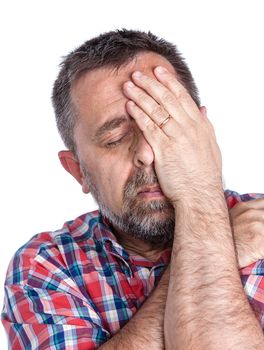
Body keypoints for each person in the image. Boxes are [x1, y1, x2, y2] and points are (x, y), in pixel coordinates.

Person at [2, 29, 264, 349]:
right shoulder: (44, 265)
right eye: (115, 139)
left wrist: (200, 197)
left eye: (166, 125)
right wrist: (219, 242)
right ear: (77, 170)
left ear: (201, 134)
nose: (147, 152)